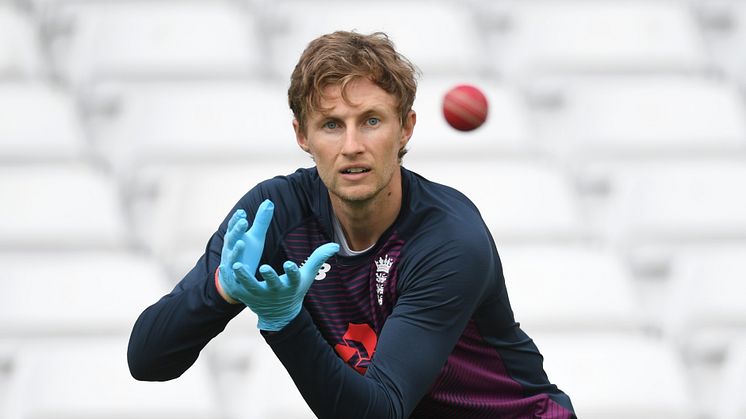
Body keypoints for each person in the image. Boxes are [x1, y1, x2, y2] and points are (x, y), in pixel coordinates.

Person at [128, 30, 576, 418]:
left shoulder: (450, 239)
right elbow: (147, 360)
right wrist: (221, 288)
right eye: (331, 125)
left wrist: (284, 321)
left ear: (406, 129)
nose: (352, 145)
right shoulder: (275, 212)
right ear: (302, 136)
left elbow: (379, 412)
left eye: (372, 121)